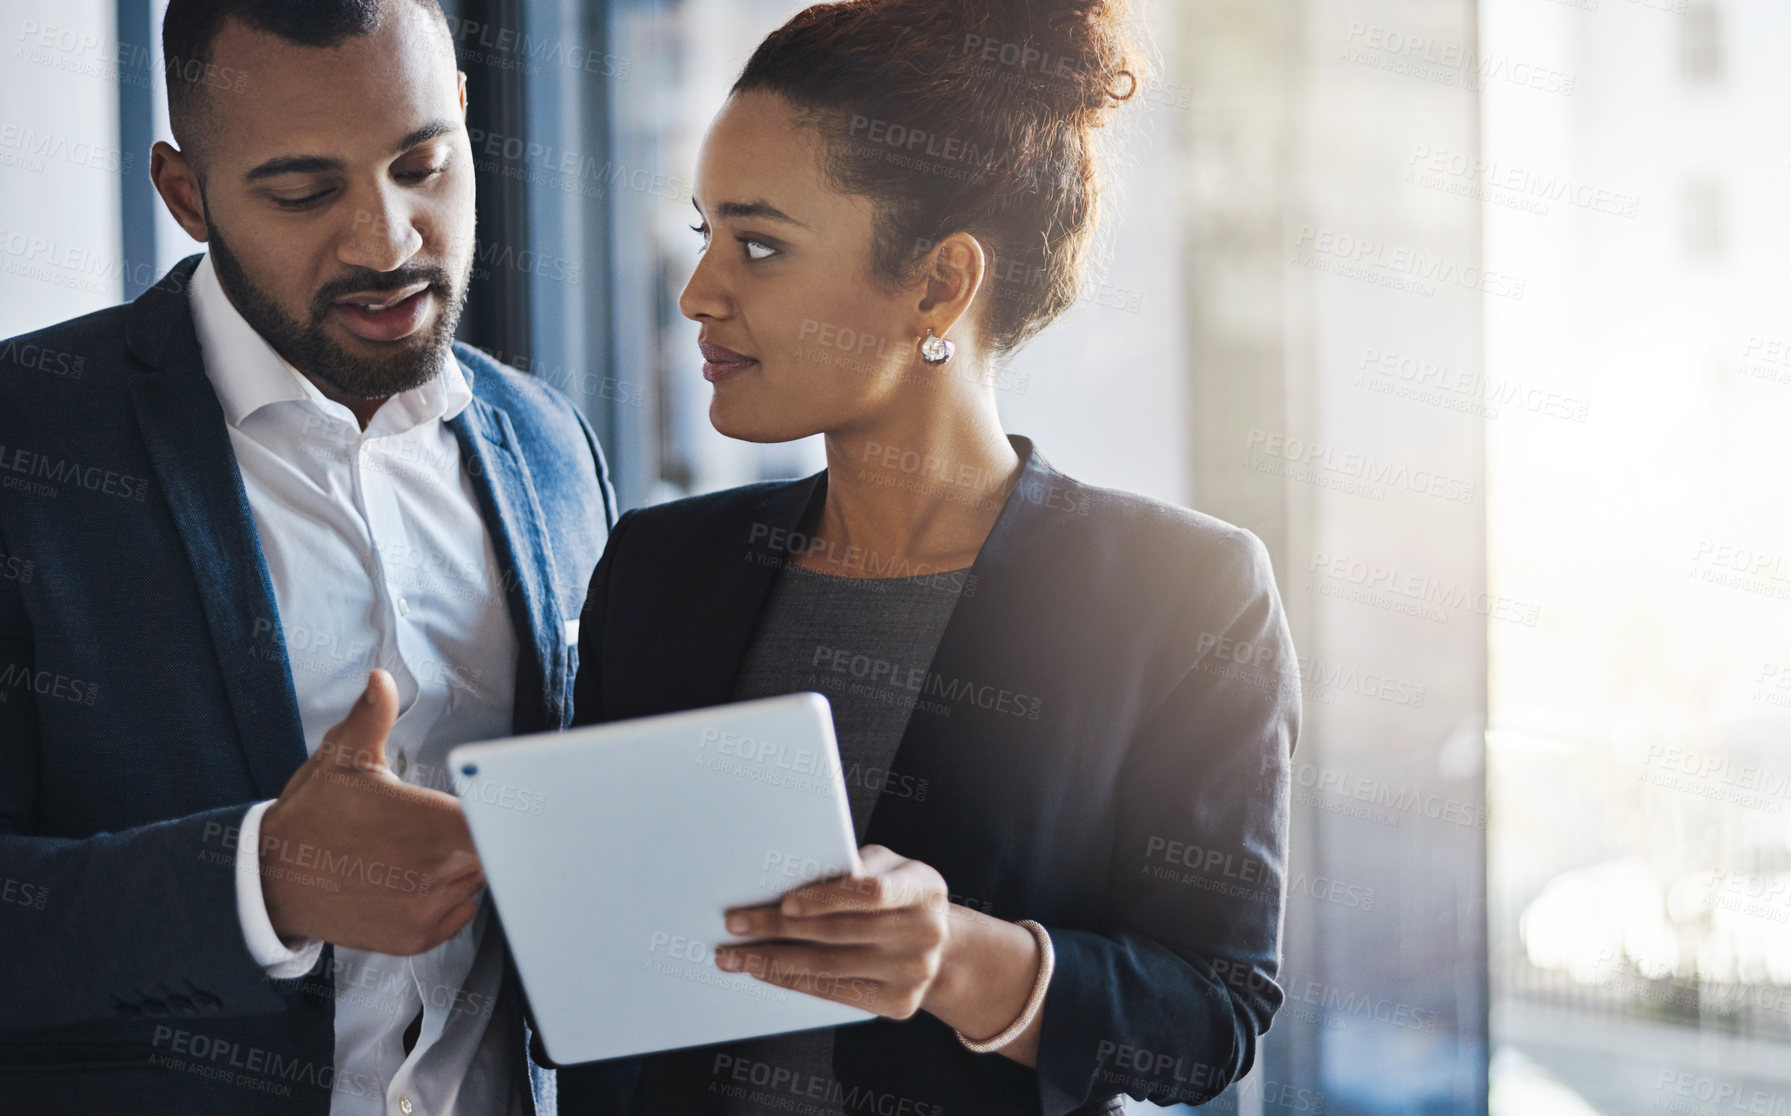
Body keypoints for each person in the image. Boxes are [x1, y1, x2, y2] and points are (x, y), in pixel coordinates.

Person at [562, 1, 1299, 1113]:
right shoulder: (660, 569)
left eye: (758, 244)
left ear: (938, 285)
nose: (699, 292)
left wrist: (956, 959)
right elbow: (590, 956)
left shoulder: (1183, 596)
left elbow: (1208, 1020)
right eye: (705, 231)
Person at [0, 1, 612, 1112]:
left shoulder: (552, 442)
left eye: (424, 164)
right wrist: (262, 879)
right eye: (302, 193)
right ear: (185, 194)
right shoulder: (25, 439)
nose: (387, 242)